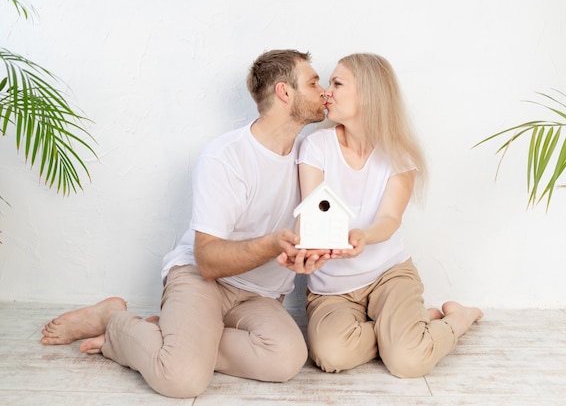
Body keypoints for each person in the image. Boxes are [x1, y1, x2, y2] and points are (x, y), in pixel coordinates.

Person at [40, 49, 331, 398]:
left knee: (286, 359)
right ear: (285, 92)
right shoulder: (226, 157)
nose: (324, 91)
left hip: (261, 295)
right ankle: (115, 323)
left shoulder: (311, 156)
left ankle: (171, 337)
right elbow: (207, 260)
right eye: (314, 83)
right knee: (181, 380)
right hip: (203, 280)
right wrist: (273, 244)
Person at [289, 53, 483, 378]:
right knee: (331, 355)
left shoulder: (399, 155)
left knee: (408, 362)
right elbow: (311, 211)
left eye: (337, 84)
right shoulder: (316, 145)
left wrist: (363, 236)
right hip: (332, 287)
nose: (326, 91)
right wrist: (303, 246)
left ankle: (457, 319)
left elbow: (389, 219)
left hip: (388, 275)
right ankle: (408, 330)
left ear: (367, 94)